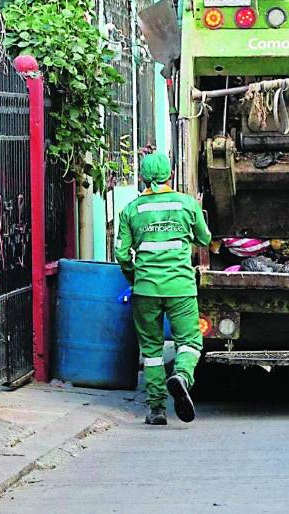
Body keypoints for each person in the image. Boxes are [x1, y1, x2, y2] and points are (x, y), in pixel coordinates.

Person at [116, 152, 212, 426]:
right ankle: (182, 374)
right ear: (170, 174)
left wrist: (134, 278)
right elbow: (205, 238)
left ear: (143, 177)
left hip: (145, 289)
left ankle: (157, 409)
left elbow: (122, 254)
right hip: (181, 288)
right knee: (190, 342)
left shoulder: (132, 210)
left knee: (152, 351)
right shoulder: (187, 204)